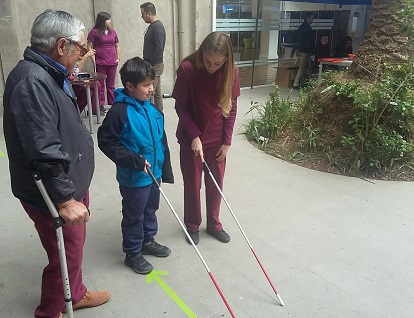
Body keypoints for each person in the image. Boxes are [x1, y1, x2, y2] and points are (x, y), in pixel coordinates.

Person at [2, 9, 110, 318]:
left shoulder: (47, 72)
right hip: (53, 192)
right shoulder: (32, 82)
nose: (82, 54)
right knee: (64, 253)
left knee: (72, 250)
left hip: (67, 182)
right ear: (61, 46)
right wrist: (64, 199)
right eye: (79, 48)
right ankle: (50, 311)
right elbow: (43, 149)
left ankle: (74, 294)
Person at [97, 57, 174, 275]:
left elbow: (160, 141)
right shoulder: (119, 112)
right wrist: (134, 161)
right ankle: (132, 252)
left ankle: (147, 240)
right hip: (134, 176)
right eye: (146, 85)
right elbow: (106, 142)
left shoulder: (152, 110)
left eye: (153, 83)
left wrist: (163, 169)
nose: (151, 89)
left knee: (151, 209)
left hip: (154, 173)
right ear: (130, 86)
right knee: (134, 214)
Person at [172, 31, 240, 245]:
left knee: (216, 183)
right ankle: (192, 224)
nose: (211, 66)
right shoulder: (187, 69)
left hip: (217, 138)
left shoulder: (231, 72)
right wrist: (194, 135)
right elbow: (181, 106)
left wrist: (227, 141)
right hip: (191, 136)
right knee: (192, 184)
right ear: (201, 54)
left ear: (226, 60)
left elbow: (232, 107)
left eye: (217, 63)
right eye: (208, 61)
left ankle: (214, 224)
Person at [87, 11, 120, 106]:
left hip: (112, 62)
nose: (110, 21)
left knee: (111, 85)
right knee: (100, 85)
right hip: (100, 62)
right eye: (108, 19)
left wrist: (118, 57)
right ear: (102, 21)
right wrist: (93, 60)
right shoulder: (94, 32)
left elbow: (117, 45)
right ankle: (100, 105)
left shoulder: (113, 32)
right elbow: (89, 47)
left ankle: (112, 103)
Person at [140, 2, 166, 111]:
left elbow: (159, 48)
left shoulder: (157, 27)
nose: (142, 16)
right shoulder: (152, 26)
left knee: (149, 92)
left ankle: (149, 115)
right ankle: (159, 114)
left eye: (143, 14)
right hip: (151, 64)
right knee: (157, 93)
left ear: (149, 13)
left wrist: (150, 65)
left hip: (155, 65)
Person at [71, 48, 106, 114]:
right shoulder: (70, 55)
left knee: (96, 83)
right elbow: (76, 70)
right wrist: (86, 56)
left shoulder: (78, 54)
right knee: (86, 92)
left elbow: (77, 70)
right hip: (70, 83)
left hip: (77, 79)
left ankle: (95, 109)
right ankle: (75, 112)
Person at [293, 11, 315, 88]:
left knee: (305, 67)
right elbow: (308, 41)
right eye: (312, 18)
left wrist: (297, 49)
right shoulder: (307, 28)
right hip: (305, 51)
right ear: (307, 18)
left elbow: (298, 39)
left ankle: (307, 81)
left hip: (301, 50)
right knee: (302, 67)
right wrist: (311, 52)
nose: (313, 20)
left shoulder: (301, 27)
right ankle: (296, 83)